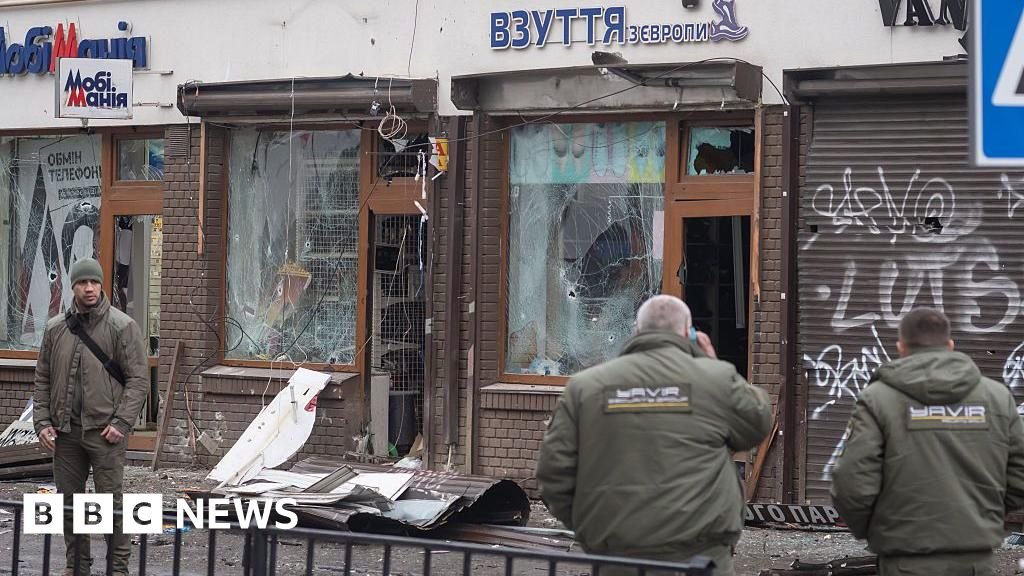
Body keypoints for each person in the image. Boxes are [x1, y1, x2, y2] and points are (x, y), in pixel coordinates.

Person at [536, 295, 772, 576]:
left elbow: (553, 475)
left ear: (636, 332)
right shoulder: (714, 379)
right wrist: (708, 361)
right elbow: (757, 423)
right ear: (689, 333)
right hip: (701, 558)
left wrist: (591, 528)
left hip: (617, 555)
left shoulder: (585, 388)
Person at [831, 307, 1024, 576]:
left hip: (904, 558)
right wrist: (984, 516)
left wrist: (875, 530)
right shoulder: (997, 397)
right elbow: (1020, 473)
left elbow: (851, 480)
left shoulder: (878, 399)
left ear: (900, 347)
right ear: (950, 345)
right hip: (974, 561)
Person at [33, 257, 149, 576]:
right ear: (73, 286)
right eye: (83, 283)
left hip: (105, 433)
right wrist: (42, 422)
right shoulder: (55, 329)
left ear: (101, 285)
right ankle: (77, 566)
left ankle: (118, 569)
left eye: (94, 282)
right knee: (70, 505)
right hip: (66, 432)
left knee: (111, 505)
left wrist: (122, 423)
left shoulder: (122, 326)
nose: (89, 288)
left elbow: (139, 380)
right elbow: (42, 377)